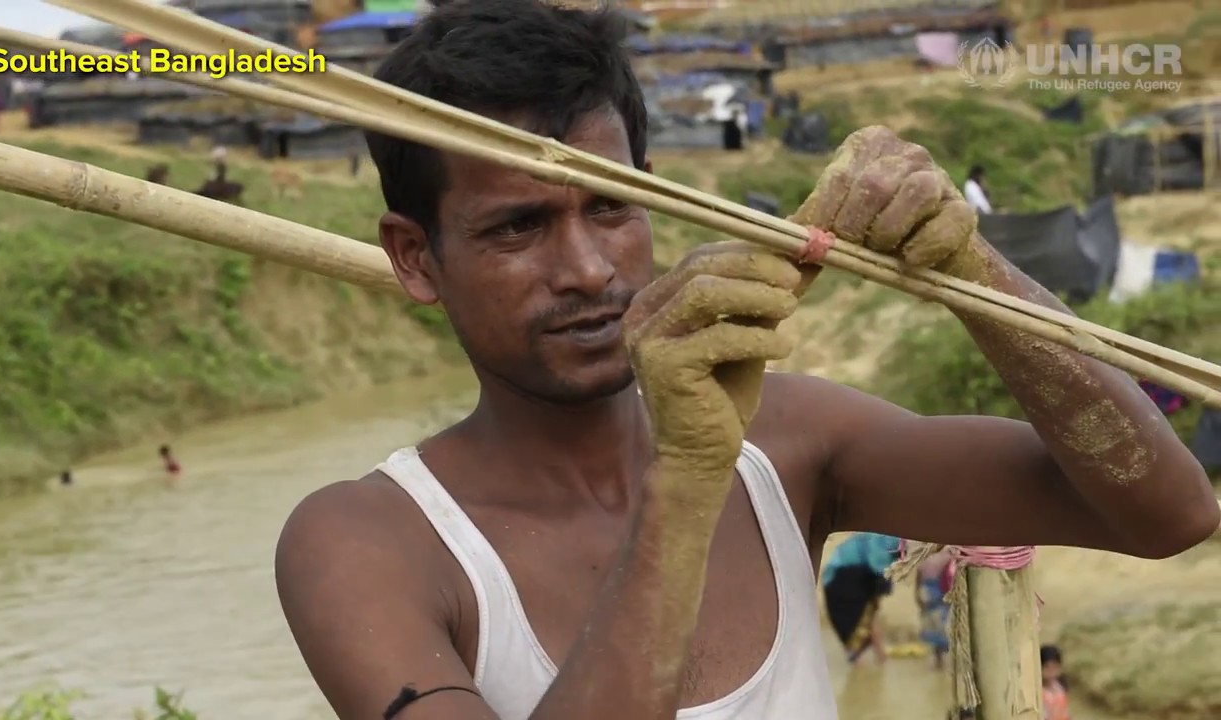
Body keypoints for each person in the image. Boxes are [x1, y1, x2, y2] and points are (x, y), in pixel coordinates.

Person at [272, 2, 1218, 719]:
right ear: (414, 256)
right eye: (517, 228)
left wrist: (971, 266)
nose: (589, 268)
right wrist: (686, 477)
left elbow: (1168, 513)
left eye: (611, 207)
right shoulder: (367, 543)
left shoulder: (791, 442)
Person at [820, 532, 900, 665]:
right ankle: (865, 660)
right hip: (844, 576)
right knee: (857, 621)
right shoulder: (884, 541)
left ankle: (879, 658)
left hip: (859, 573)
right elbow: (877, 563)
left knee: (870, 614)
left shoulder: (885, 539)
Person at [915, 546, 955, 668]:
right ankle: (940, 660)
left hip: (940, 592)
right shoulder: (925, 554)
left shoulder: (948, 554)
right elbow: (918, 575)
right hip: (931, 592)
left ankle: (943, 660)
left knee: (943, 626)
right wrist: (917, 594)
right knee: (935, 627)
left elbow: (951, 574)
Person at [1041, 644, 1072, 720]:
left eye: (1055, 667)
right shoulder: (1039, 693)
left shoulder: (1060, 687)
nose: (1051, 671)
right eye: (1047, 667)